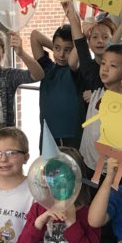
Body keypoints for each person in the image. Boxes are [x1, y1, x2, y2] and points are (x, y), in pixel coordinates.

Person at [31, 18, 87, 148]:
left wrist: (72, 45)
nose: (61, 55)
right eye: (57, 48)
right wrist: (57, 48)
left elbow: (73, 61)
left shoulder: (76, 70)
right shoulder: (46, 68)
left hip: (73, 136)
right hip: (49, 136)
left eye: (67, 50)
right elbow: (35, 35)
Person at [79, 43, 122, 177]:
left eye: (113, 66)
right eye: (103, 64)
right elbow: (82, 52)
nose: (105, 69)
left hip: (107, 172)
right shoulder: (98, 90)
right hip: (87, 163)